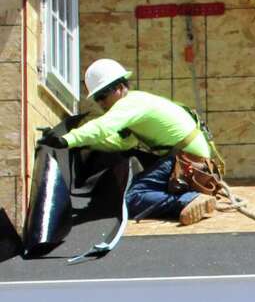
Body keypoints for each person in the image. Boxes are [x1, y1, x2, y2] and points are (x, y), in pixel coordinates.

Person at [39, 58, 218, 226]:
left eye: (103, 95)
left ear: (119, 87)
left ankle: (188, 200)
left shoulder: (129, 103)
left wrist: (67, 140)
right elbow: (125, 143)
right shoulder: (137, 103)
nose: (101, 103)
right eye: (97, 98)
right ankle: (189, 197)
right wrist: (86, 143)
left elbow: (103, 126)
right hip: (190, 160)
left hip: (185, 160)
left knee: (131, 197)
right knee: (137, 184)